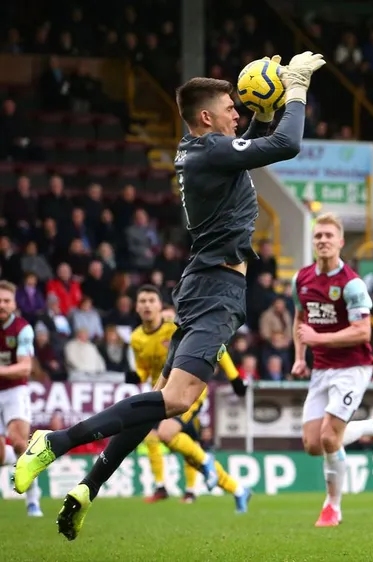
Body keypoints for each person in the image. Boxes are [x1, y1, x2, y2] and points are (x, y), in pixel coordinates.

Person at [14, 51, 326, 541]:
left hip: (203, 282)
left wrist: (268, 106)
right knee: (177, 401)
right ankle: (54, 441)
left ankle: (89, 486)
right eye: (230, 108)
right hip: (216, 286)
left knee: (161, 402)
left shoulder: (201, 149)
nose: (237, 114)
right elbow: (286, 144)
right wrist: (299, 88)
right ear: (207, 117)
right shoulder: (212, 150)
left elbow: (257, 141)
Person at [292, 213, 373, 527]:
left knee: (328, 437)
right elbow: (300, 321)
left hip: (353, 367)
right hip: (321, 369)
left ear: (340, 242)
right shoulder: (301, 279)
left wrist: (318, 338)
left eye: (328, 236)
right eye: (318, 236)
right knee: (313, 444)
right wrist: (299, 357)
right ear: (313, 242)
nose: (323, 240)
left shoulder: (351, 283)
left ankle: (332, 507)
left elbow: (363, 332)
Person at [129, 285, 250, 509]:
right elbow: (143, 370)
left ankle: (203, 467)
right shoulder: (136, 338)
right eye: (142, 301)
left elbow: (213, 346)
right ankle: (237, 489)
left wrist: (234, 378)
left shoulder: (174, 328)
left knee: (165, 435)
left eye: (151, 301)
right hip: (162, 393)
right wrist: (135, 375)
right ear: (136, 307)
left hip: (190, 391)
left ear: (160, 306)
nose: (146, 305)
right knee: (180, 445)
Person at [0, 281, 43, 517]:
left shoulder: (22, 329)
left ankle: (33, 500)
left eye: (6, 300)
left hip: (15, 391)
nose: (2, 305)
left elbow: (25, 368)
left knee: (18, 442)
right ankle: (23, 462)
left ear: (14, 303)